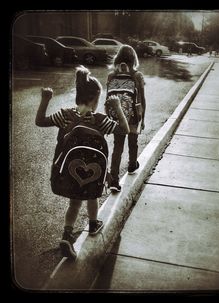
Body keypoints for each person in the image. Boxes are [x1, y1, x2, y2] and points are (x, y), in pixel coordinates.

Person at [35, 65, 129, 259]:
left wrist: (45, 100)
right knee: (92, 195)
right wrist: (118, 108)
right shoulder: (99, 120)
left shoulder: (65, 115)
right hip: (93, 173)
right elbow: (124, 130)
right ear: (95, 100)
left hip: (69, 171)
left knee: (75, 204)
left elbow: (40, 121)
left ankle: (66, 235)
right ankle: (94, 223)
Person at [106, 45, 146, 193]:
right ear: (133, 59)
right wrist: (143, 117)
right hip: (133, 114)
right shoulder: (137, 75)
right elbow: (142, 98)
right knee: (133, 141)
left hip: (117, 115)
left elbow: (108, 98)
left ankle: (114, 181)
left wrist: (110, 115)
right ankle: (132, 164)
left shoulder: (112, 76)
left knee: (118, 147)